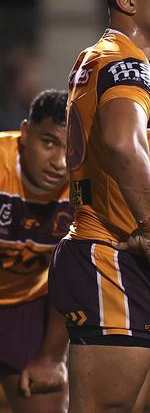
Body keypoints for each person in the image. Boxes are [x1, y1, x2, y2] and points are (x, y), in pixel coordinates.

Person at [47, 0, 150, 413]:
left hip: (103, 253)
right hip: (113, 253)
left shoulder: (98, 57)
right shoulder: (126, 63)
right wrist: (149, 226)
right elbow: (124, 144)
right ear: (126, 1)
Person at [0, 90, 72, 413]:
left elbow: (74, 276)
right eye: (49, 142)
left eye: (71, 149)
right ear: (25, 133)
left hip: (30, 304)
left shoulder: (87, 184)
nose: (59, 163)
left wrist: (53, 357)